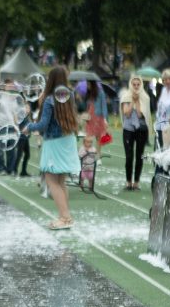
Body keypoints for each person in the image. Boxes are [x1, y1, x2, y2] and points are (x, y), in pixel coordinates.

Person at [23, 66, 80, 229]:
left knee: (51, 181)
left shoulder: (49, 99)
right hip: (67, 140)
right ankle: (65, 216)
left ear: (51, 79)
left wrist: (29, 127)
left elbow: (43, 124)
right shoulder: (70, 95)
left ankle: (65, 218)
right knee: (61, 181)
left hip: (54, 143)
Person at [119, 74, 152, 191]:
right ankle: (128, 182)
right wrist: (132, 101)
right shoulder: (125, 96)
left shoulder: (145, 97)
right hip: (128, 130)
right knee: (129, 156)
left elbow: (139, 114)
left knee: (139, 156)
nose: (136, 86)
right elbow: (126, 113)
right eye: (134, 84)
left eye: (138, 84)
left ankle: (136, 182)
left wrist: (138, 102)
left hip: (141, 130)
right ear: (130, 84)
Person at [84, 80, 108, 154]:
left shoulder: (101, 92)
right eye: (87, 84)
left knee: (98, 137)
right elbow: (87, 105)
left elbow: (104, 105)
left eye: (88, 84)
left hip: (98, 117)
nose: (87, 86)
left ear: (92, 84)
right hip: (90, 116)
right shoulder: (88, 93)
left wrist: (105, 119)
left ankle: (98, 155)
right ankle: (87, 153)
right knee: (88, 135)